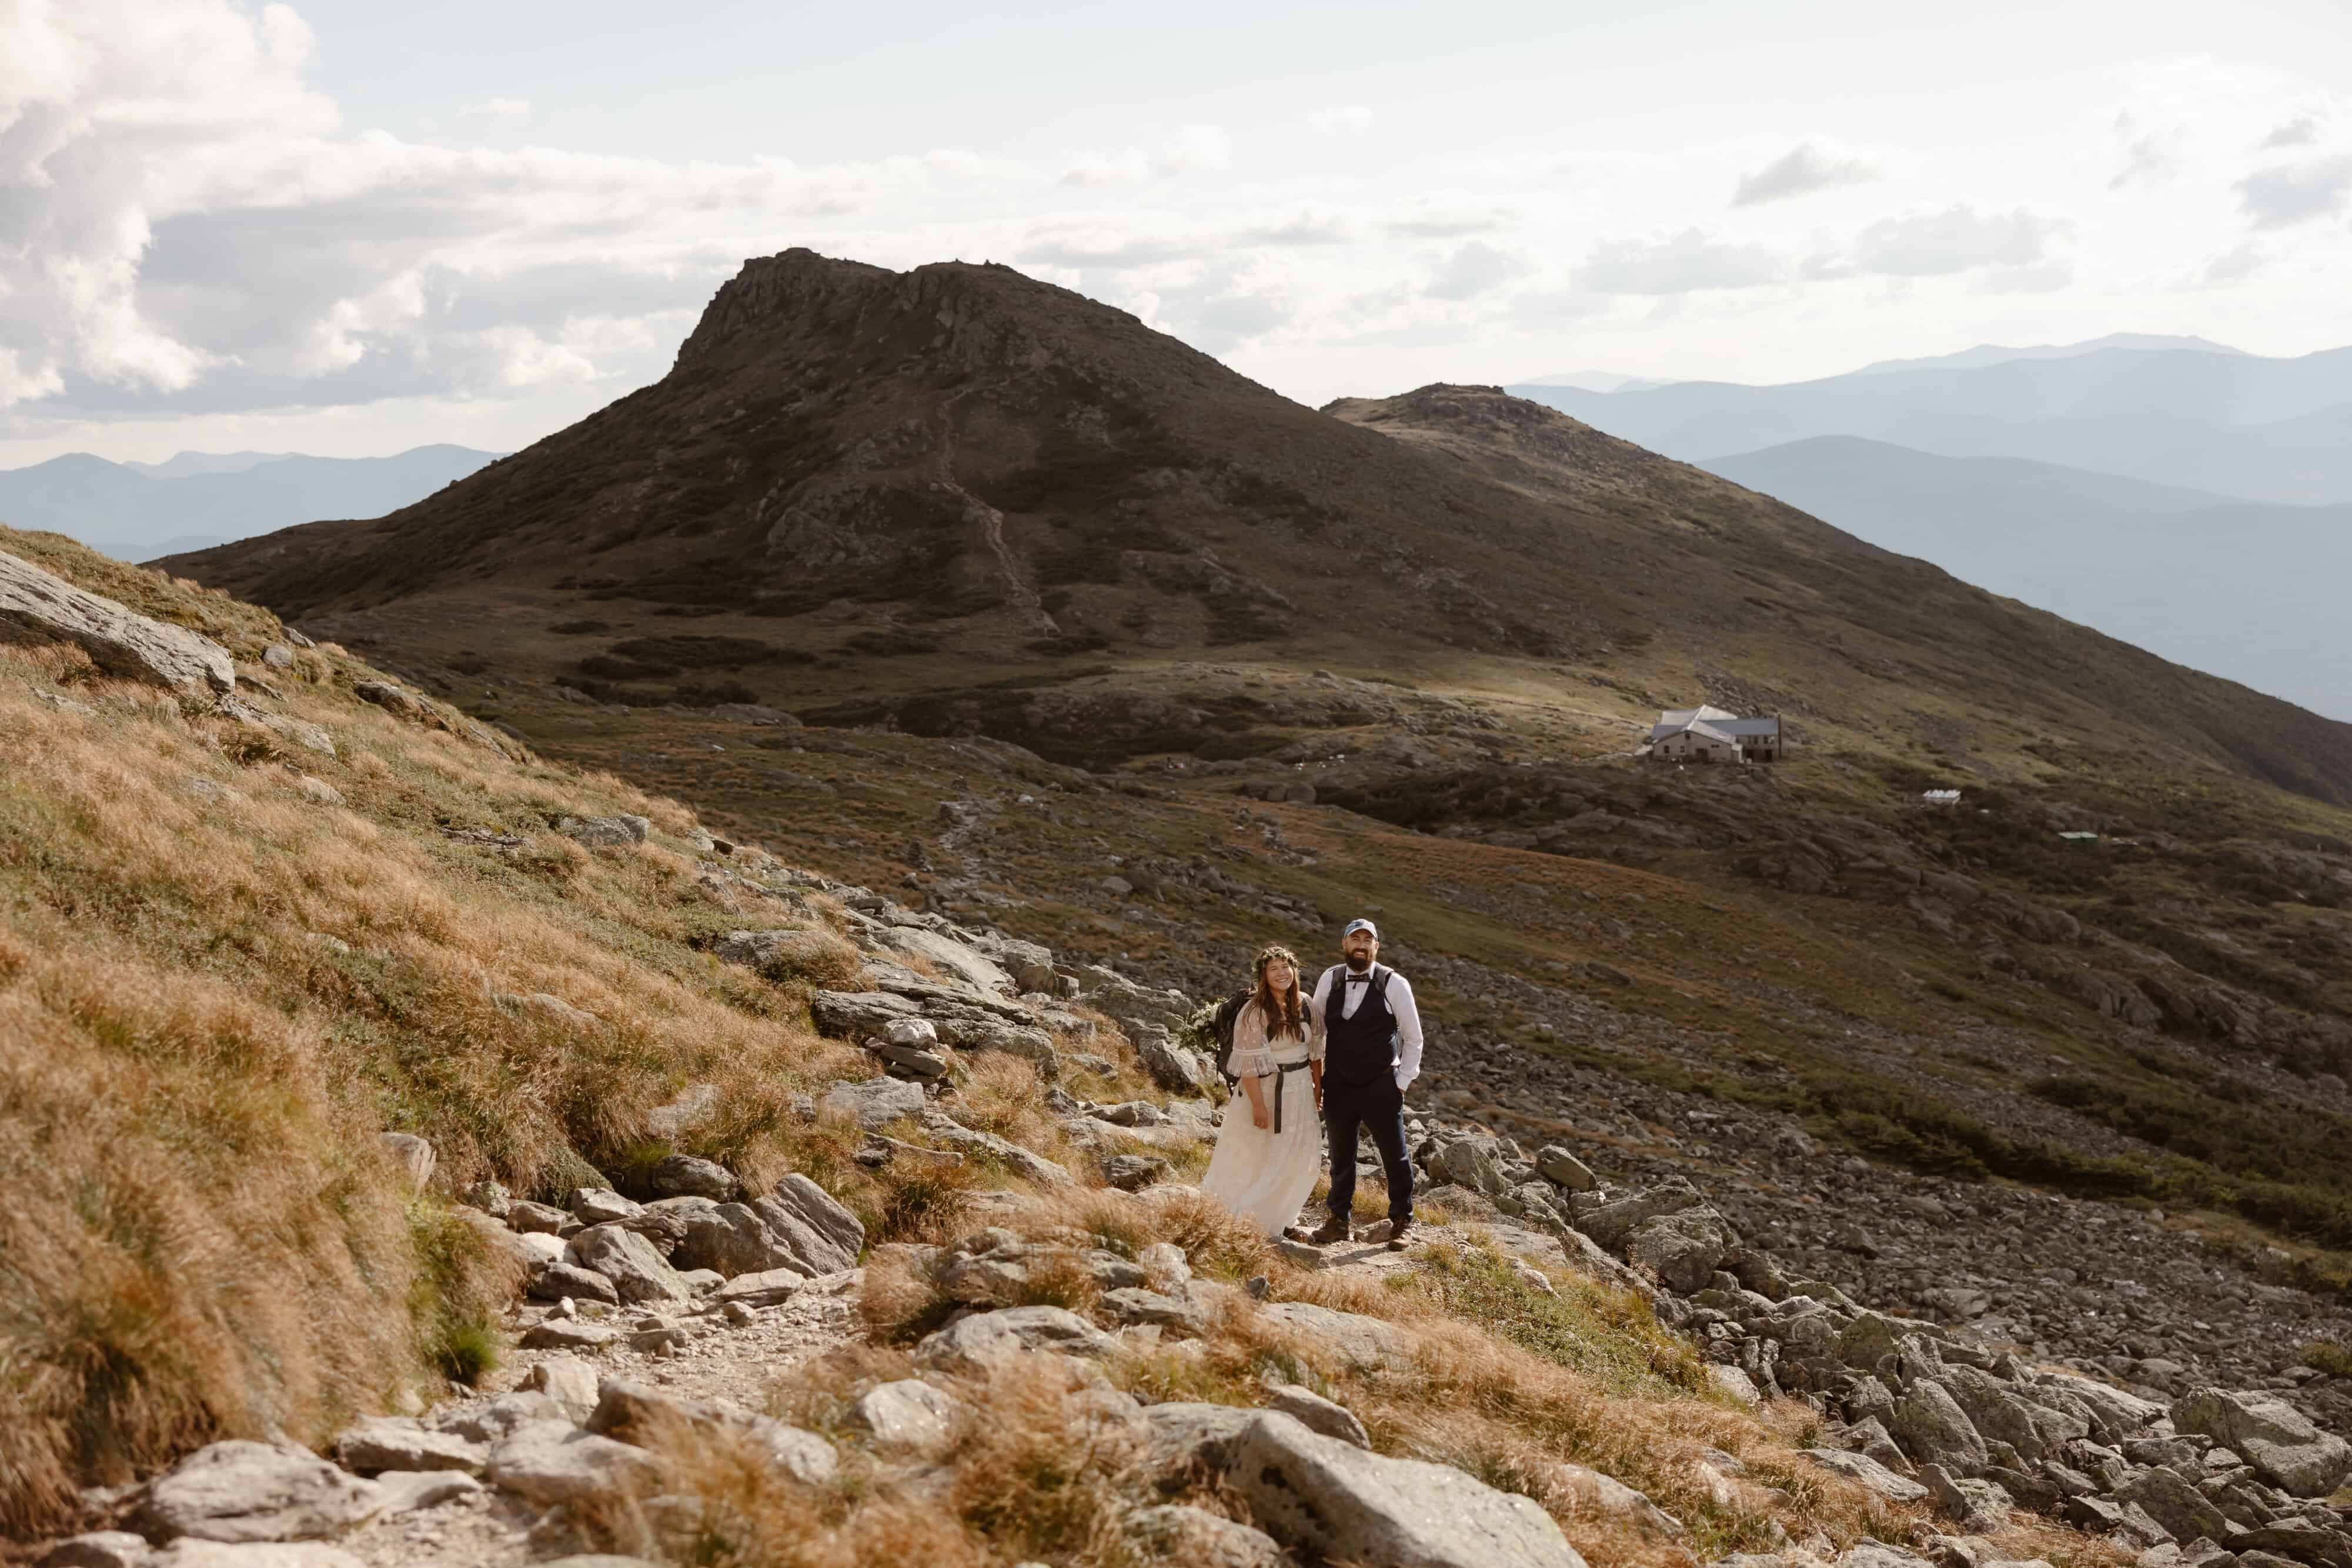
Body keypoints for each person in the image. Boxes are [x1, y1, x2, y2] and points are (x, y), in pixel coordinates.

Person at [1308, 918, 1424, 1250]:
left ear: (1376, 947)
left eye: (1367, 940)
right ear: (1344, 945)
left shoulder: (1393, 983)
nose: (1361, 944)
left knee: (1395, 1156)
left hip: (1381, 1084)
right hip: (1339, 1083)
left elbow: (1413, 1039)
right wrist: (1317, 1078)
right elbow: (1317, 1031)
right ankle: (1338, 1220)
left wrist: (1401, 1083)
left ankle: (1403, 1221)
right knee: (1341, 1156)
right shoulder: (1330, 978)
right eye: (1354, 938)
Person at [1197, 945, 1327, 1237]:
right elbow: (1248, 1065)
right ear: (1264, 977)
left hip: (1301, 1089)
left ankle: (1282, 1215)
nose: (1282, 974)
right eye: (1274, 969)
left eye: (1286, 967)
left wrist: (1318, 1089)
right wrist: (1258, 1105)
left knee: (1298, 1152)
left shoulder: (1307, 1004)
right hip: (1267, 1091)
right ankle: (1250, 1216)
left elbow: (1316, 1053)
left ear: (1295, 970)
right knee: (1257, 1151)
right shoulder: (1254, 1012)